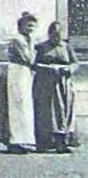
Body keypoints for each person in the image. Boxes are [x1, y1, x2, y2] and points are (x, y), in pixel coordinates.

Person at [0, 12, 37, 153]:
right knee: (15, 105)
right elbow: (28, 58)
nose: (31, 29)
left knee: (23, 106)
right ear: (21, 26)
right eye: (28, 25)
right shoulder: (19, 40)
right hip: (16, 73)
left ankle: (22, 139)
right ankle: (15, 140)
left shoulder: (28, 40)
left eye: (33, 26)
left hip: (24, 73)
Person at [32, 21, 79, 154]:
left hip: (63, 84)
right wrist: (47, 68)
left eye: (58, 35)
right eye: (53, 34)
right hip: (45, 85)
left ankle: (62, 142)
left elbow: (75, 63)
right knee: (46, 113)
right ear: (49, 34)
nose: (56, 37)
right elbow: (33, 64)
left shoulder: (66, 47)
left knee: (63, 111)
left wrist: (69, 69)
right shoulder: (41, 47)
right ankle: (44, 142)